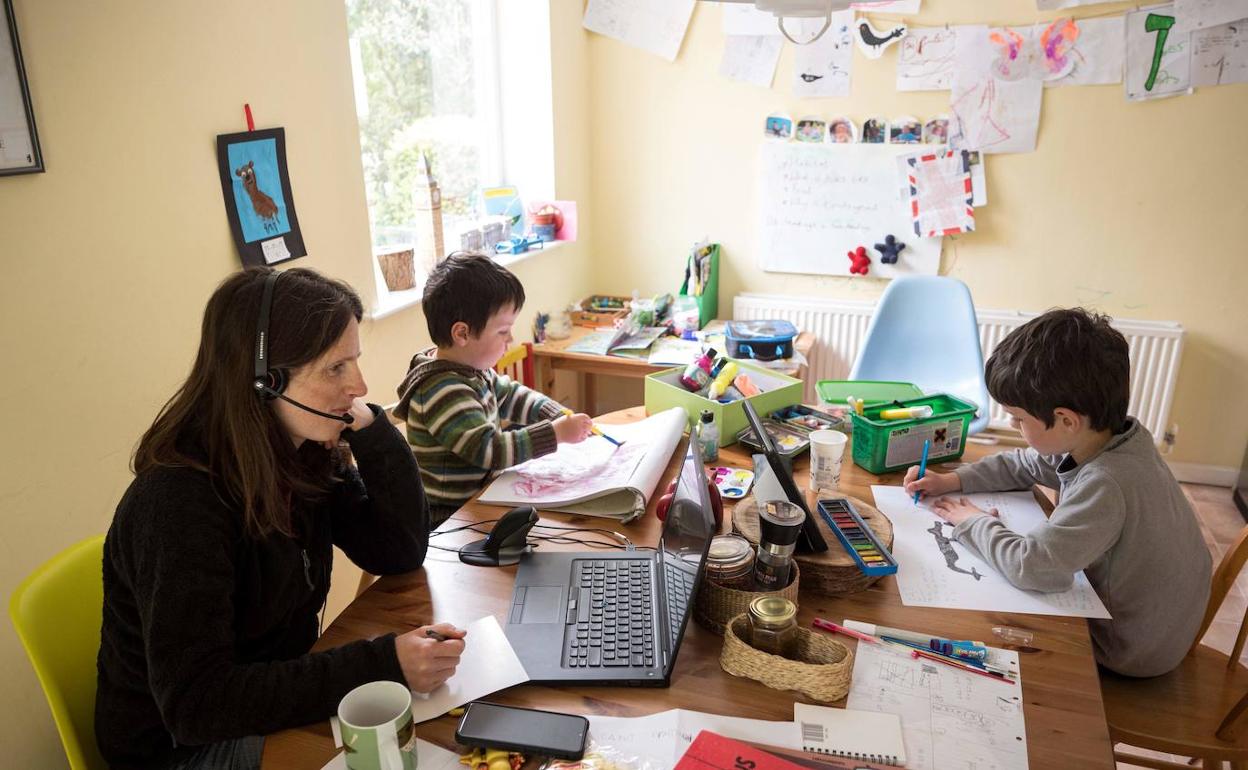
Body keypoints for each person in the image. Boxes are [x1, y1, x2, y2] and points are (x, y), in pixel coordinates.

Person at [96, 268, 464, 770]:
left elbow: (397, 550)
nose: (359, 385)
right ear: (264, 382)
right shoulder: (178, 502)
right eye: (335, 369)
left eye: (355, 361)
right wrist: (383, 664)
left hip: (267, 699)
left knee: (444, 738)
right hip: (184, 750)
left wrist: (375, 431)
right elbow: (197, 706)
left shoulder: (301, 455)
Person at [905, 308, 1211, 678]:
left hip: (1129, 649)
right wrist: (953, 481)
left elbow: (1032, 567)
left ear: (1066, 420)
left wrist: (973, 521)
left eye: (1018, 419)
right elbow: (1028, 464)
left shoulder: (1107, 481)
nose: (1014, 426)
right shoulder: (1112, 437)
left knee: (985, 636)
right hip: (1157, 625)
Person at [395, 252, 592, 524]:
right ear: (462, 333)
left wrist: (554, 413)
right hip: (450, 518)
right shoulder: (442, 390)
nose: (510, 339)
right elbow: (489, 450)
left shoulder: (470, 369)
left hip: (481, 500)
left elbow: (510, 394)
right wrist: (554, 434)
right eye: (503, 331)